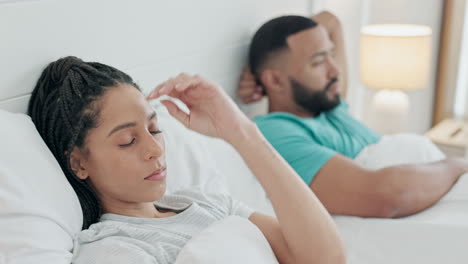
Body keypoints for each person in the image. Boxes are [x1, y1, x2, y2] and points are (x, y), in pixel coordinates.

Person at [27, 56, 346, 264]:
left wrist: (241, 132)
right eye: (128, 141)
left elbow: (326, 257)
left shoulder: (205, 204)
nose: (155, 149)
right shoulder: (114, 251)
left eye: (154, 128)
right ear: (79, 163)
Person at [239, 11, 468, 218]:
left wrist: (255, 68)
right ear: (276, 80)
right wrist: (456, 165)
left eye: (332, 54)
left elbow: (331, 20)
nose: (334, 69)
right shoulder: (276, 133)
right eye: (318, 62)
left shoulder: (328, 105)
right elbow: (387, 196)